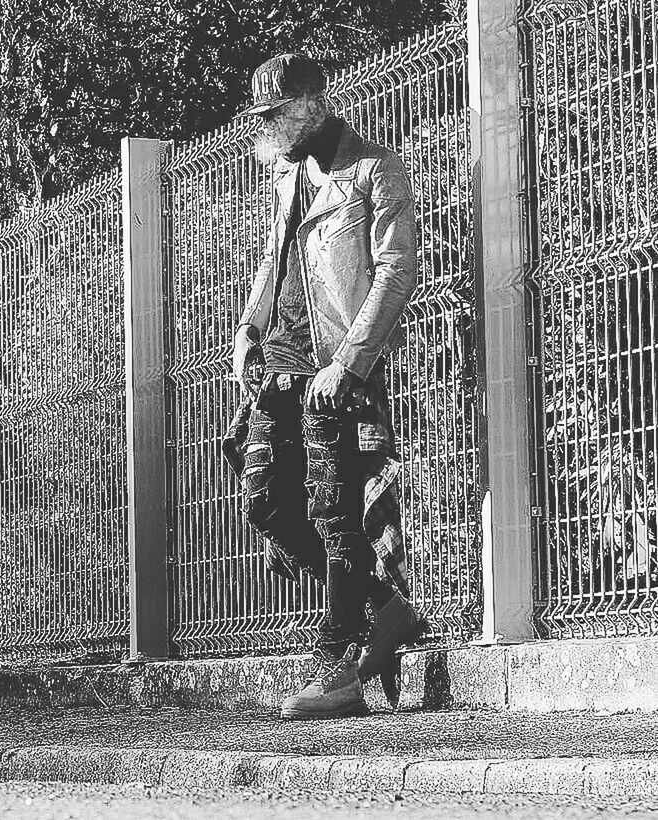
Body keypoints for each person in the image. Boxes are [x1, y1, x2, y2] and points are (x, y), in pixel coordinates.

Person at [224, 53, 426, 720]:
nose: (272, 125)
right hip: (276, 370)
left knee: (336, 519)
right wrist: (248, 326)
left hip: (334, 375)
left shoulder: (373, 170)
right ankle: (383, 607)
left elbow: (396, 272)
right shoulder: (286, 175)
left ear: (314, 99)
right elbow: (273, 260)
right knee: (265, 505)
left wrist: (349, 364)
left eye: (279, 111)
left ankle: (337, 667)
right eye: (264, 117)